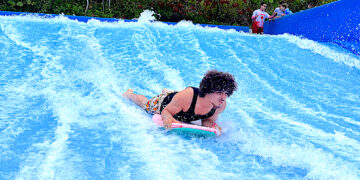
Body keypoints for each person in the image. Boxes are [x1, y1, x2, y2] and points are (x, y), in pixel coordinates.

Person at [123, 70, 237, 134]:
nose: (223, 98)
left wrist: (212, 127)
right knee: (146, 105)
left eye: (226, 94)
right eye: (220, 93)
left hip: (179, 101)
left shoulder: (220, 105)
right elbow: (166, 111)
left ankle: (167, 91)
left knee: (178, 99)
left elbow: (207, 120)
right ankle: (130, 94)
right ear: (208, 91)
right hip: (164, 103)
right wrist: (168, 118)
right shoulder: (188, 95)